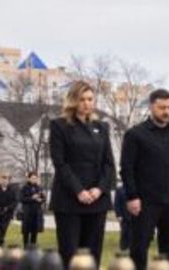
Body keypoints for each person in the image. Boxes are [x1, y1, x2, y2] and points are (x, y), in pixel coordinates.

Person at [121, 89, 169, 270]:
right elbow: (127, 169)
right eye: (162, 107)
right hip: (144, 202)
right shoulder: (135, 135)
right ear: (152, 106)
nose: (167, 111)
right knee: (139, 247)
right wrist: (132, 196)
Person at [50, 81, 116, 265]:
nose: (87, 103)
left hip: (97, 200)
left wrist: (99, 189)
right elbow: (60, 163)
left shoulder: (102, 127)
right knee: (70, 255)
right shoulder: (59, 126)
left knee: (92, 255)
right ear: (73, 101)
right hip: (69, 199)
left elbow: (109, 163)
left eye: (90, 99)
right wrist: (79, 190)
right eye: (82, 99)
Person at [19, 172, 46, 248]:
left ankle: (33, 249)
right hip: (27, 213)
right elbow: (21, 199)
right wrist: (32, 198)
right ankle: (25, 247)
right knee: (26, 232)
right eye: (33, 178)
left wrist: (41, 200)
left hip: (36, 213)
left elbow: (44, 198)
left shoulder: (39, 187)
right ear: (29, 178)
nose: (34, 180)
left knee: (35, 232)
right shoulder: (24, 187)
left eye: (35, 178)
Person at [0, 175, 18, 246]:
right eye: (3, 180)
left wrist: (8, 208)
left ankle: (0, 242)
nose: (4, 182)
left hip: (7, 212)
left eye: (6, 180)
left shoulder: (12, 190)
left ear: (8, 181)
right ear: (0, 180)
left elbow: (15, 202)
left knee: (3, 228)